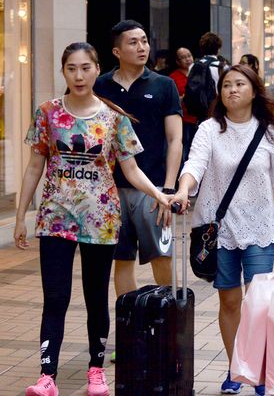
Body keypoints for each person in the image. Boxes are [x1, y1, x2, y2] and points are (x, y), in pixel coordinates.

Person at [15, 42, 173, 396]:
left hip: (101, 221)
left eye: (85, 68)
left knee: (96, 296)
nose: (79, 75)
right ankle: (47, 376)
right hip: (55, 219)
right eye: (71, 68)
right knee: (55, 297)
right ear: (63, 71)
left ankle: (96, 371)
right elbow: (34, 167)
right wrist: (22, 215)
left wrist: (159, 194)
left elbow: (131, 170)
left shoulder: (113, 118)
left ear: (97, 69)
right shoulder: (47, 113)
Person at [172, 65, 274, 395]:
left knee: (258, 305)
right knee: (229, 302)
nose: (232, 90)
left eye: (240, 84)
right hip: (218, 231)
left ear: (254, 91)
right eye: (226, 85)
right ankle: (237, 369)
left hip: (258, 229)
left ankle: (260, 371)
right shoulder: (210, 129)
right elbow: (195, 164)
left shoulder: (269, 133)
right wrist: (183, 190)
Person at [93, 20, 182, 300]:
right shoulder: (100, 85)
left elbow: (175, 140)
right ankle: (128, 322)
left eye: (144, 41)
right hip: (110, 190)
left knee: (162, 257)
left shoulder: (164, 85)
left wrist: (168, 189)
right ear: (117, 51)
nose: (142, 47)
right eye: (133, 42)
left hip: (153, 188)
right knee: (121, 259)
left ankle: (169, 320)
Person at [169, 47, 198, 162]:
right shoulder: (173, 78)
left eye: (189, 56)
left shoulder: (199, 73)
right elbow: (172, 101)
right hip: (183, 120)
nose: (188, 59)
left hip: (199, 118)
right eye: (183, 57)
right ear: (177, 61)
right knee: (185, 149)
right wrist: (183, 98)